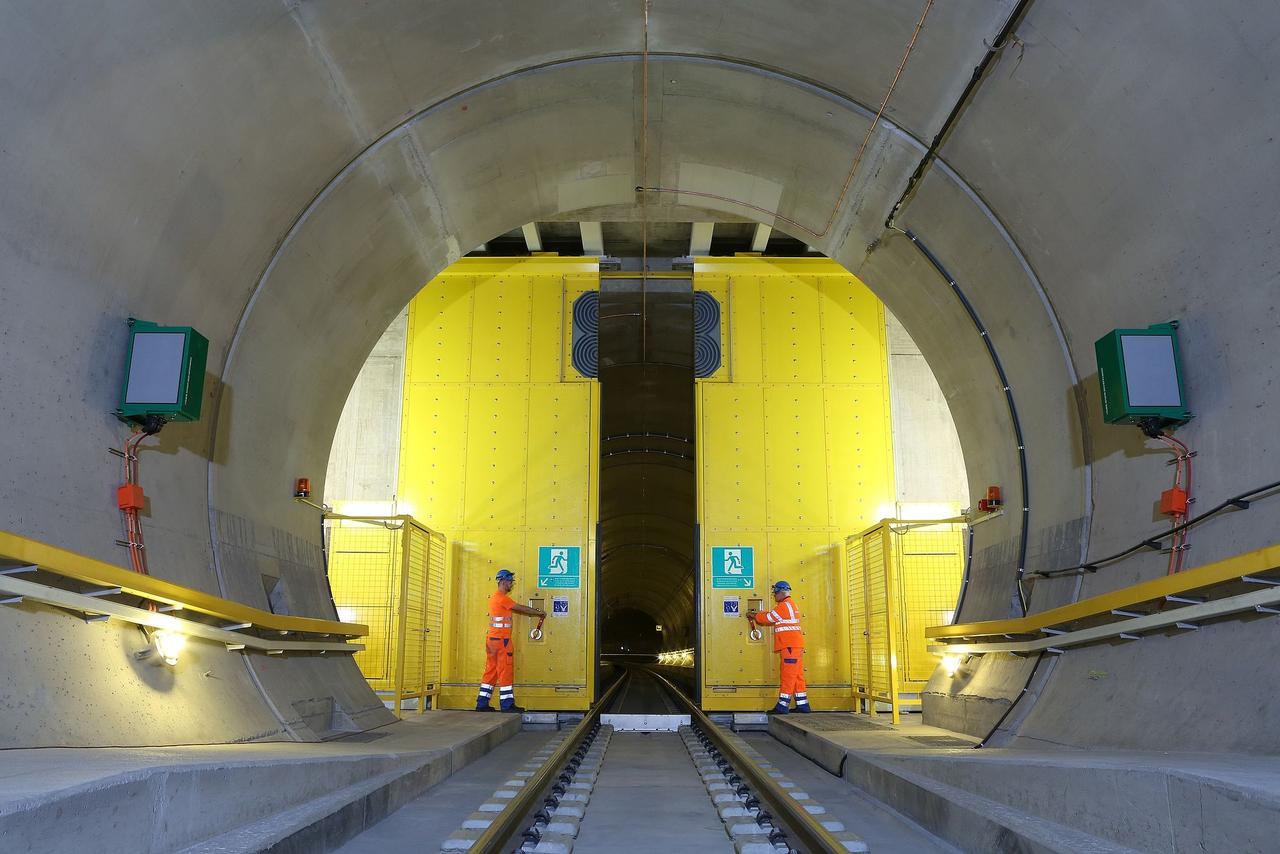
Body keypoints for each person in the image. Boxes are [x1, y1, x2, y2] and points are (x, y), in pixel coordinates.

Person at [476, 568, 545, 712]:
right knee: (505, 670)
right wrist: (539, 613)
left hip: (492, 640)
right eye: (509, 582)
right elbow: (521, 608)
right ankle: (507, 705)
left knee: (491, 671)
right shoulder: (502, 598)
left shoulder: (495, 597)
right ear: (502, 581)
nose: (511, 585)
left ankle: (482, 704)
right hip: (502, 641)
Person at [747, 580, 810, 714]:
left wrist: (754, 615)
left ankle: (782, 706)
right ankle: (803, 705)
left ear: (781, 593)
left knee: (788, 675)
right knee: (797, 675)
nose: (774, 596)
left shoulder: (783, 606)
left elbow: (768, 618)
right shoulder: (791, 605)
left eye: (775, 593)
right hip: (795, 646)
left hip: (789, 646)